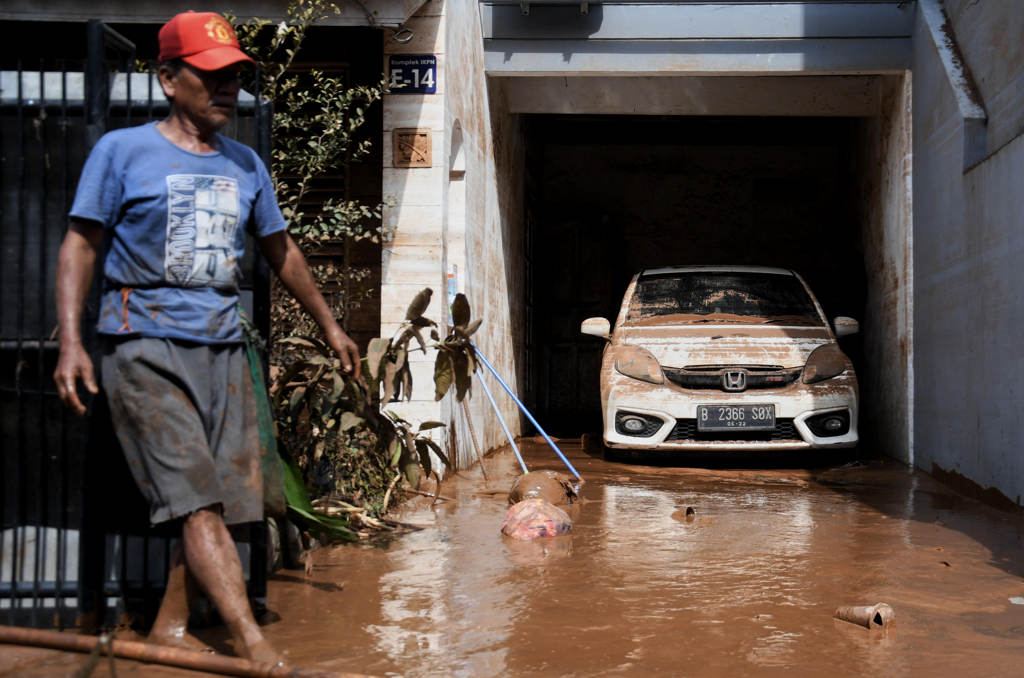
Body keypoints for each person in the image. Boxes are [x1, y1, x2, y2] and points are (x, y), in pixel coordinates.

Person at [52, 10, 360, 664]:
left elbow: (282, 252)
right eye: (213, 75)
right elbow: (80, 244)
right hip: (144, 346)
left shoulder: (245, 165)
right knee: (196, 505)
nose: (229, 90)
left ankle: (169, 628)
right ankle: (254, 646)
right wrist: (73, 344)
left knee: (224, 501)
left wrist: (331, 325)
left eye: (237, 77)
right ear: (168, 78)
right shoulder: (122, 152)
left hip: (223, 347)